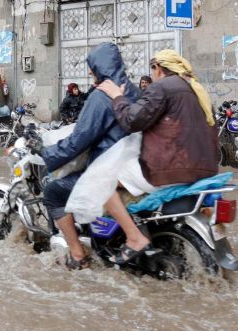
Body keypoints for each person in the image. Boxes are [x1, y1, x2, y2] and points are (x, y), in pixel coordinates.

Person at [91, 49, 218, 265]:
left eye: (153, 69)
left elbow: (132, 120)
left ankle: (134, 238)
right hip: (204, 168)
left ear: (158, 69)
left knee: (101, 180)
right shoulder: (196, 89)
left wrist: (116, 96)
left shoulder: (162, 87)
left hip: (172, 168)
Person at [27, 42, 140, 270]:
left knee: (53, 192)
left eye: (92, 66)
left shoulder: (101, 96)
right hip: (133, 167)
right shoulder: (134, 90)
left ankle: (78, 256)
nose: (89, 71)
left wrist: (48, 154)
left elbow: (80, 139)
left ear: (100, 67)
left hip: (109, 168)